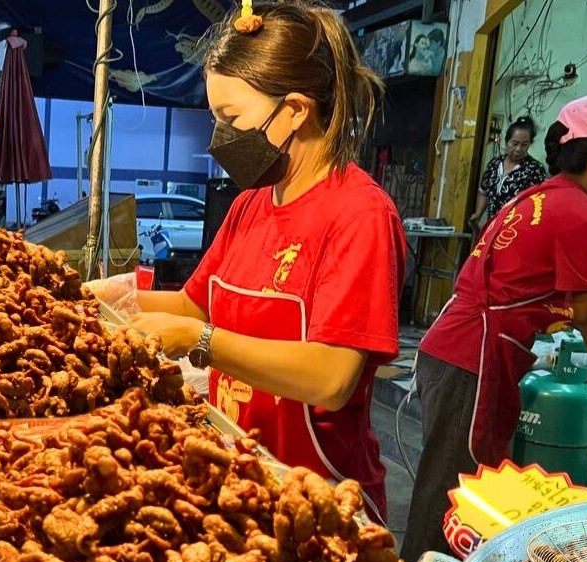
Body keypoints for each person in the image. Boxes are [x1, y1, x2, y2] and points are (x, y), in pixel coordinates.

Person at [115, 1, 404, 522]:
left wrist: (201, 344)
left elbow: (332, 379)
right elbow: (193, 304)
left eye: (232, 118)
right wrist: (107, 299)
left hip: (318, 495)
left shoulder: (359, 215)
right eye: (215, 118)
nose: (220, 136)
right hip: (245, 473)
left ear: (295, 108)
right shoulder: (251, 203)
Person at [400, 92, 587, 562]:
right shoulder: (585, 216)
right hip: (474, 358)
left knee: (459, 480)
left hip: (459, 348)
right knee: (456, 491)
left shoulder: (543, 197)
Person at [469, 116, 549, 229]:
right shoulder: (494, 164)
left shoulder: (535, 169)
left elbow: (539, 204)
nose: (518, 149)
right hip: (492, 227)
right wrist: (478, 214)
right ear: (506, 141)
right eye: (515, 143)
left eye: (524, 144)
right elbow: (484, 191)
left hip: (517, 229)